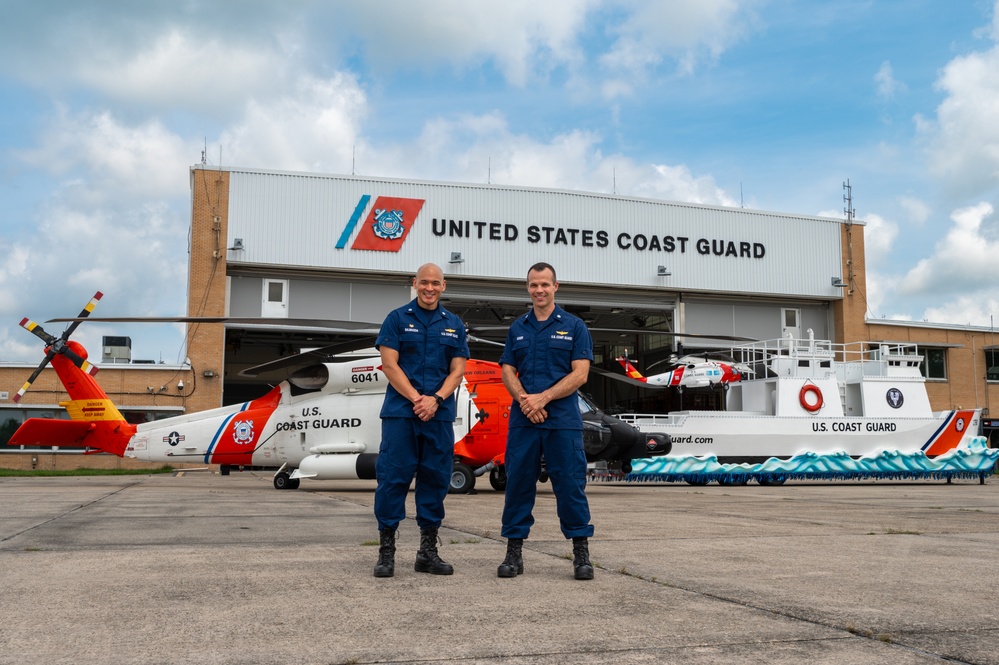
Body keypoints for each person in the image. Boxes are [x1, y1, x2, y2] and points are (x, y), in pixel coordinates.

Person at [496, 262, 595, 580]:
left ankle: (581, 554)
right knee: (518, 485)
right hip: (525, 420)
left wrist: (544, 398)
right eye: (533, 285)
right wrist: (527, 401)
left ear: (556, 287)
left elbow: (580, 373)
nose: (539, 290)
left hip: (562, 420)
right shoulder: (518, 328)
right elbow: (508, 370)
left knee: (570, 485)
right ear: (528, 288)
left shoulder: (574, 326)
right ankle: (514, 554)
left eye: (544, 285)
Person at [372, 263, 469, 578]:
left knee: (435, 480)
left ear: (444, 286)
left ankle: (427, 553)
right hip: (402, 415)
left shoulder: (454, 325)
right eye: (424, 282)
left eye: (435, 283)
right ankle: (386, 553)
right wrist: (417, 399)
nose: (429, 288)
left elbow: (457, 371)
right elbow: (389, 365)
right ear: (414, 283)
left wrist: (436, 399)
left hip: (437, 416)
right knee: (392, 480)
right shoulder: (397, 319)